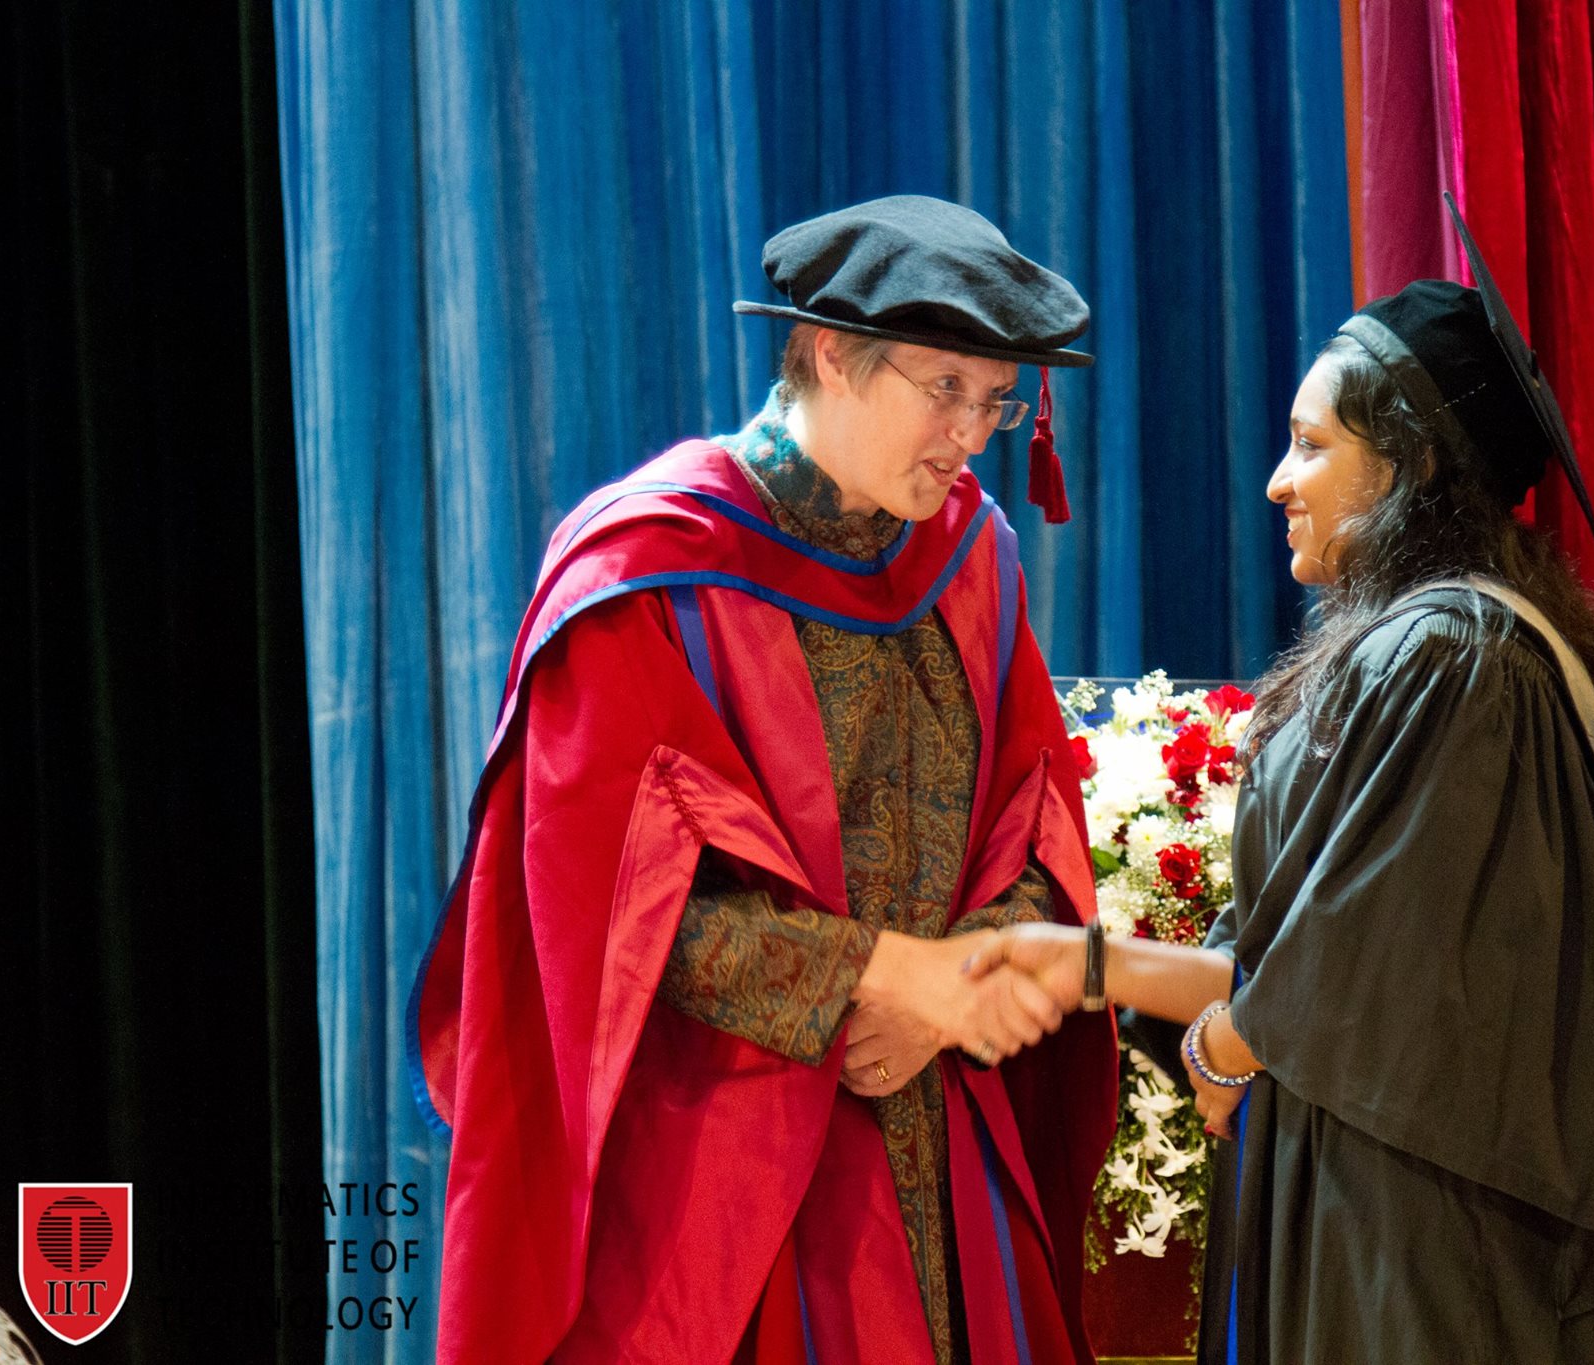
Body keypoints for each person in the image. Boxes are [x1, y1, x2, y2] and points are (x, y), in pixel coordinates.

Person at [967, 199, 1594, 1362]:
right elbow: (1305, 951)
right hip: (1381, 1188)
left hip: (1434, 1231)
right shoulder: (1446, 651)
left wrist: (1224, 1045)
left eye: (1312, 444)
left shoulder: (1448, 660)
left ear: (1411, 464)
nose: (1276, 481)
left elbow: (1346, 965)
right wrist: (1086, 966)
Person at [410, 195, 1117, 1365]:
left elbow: (1033, 823)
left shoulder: (970, 556)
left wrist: (970, 978)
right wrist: (885, 983)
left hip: (940, 1149)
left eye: (995, 404)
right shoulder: (648, 572)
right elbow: (607, 906)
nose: (970, 436)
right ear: (830, 354)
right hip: (733, 1166)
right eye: (944, 389)